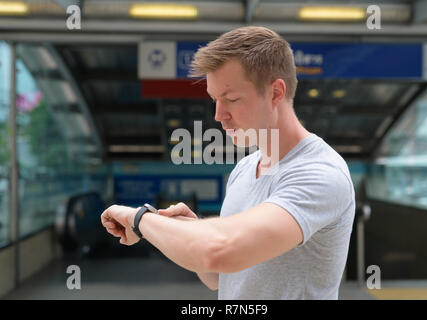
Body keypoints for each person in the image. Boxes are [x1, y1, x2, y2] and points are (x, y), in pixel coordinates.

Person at [101, 26, 355, 300]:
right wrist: (194, 229)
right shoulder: (244, 169)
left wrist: (139, 219)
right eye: (214, 100)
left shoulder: (321, 174)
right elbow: (216, 276)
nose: (219, 115)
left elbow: (219, 252)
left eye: (231, 99)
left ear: (275, 93)